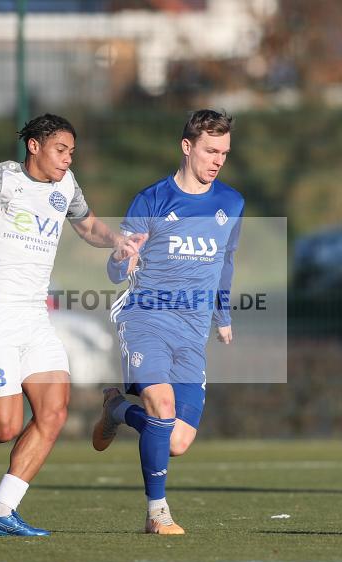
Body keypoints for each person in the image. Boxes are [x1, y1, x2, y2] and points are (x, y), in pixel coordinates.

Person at [0, 114, 143, 537]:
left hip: (35, 316)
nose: (68, 159)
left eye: (72, 151)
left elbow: (86, 223)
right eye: (61, 149)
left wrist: (118, 242)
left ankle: (1, 510)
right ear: (34, 146)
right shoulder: (6, 178)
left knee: (53, 414)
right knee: (5, 428)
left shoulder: (66, 187)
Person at [91, 109, 244, 534]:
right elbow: (115, 271)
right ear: (187, 146)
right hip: (146, 318)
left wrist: (223, 314)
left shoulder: (231, 203)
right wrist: (123, 256)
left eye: (225, 153)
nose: (217, 160)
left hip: (193, 330)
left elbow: (225, 262)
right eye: (210, 150)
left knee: (176, 441)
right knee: (161, 405)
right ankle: (157, 514)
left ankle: (118, 409)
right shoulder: (151, 200)